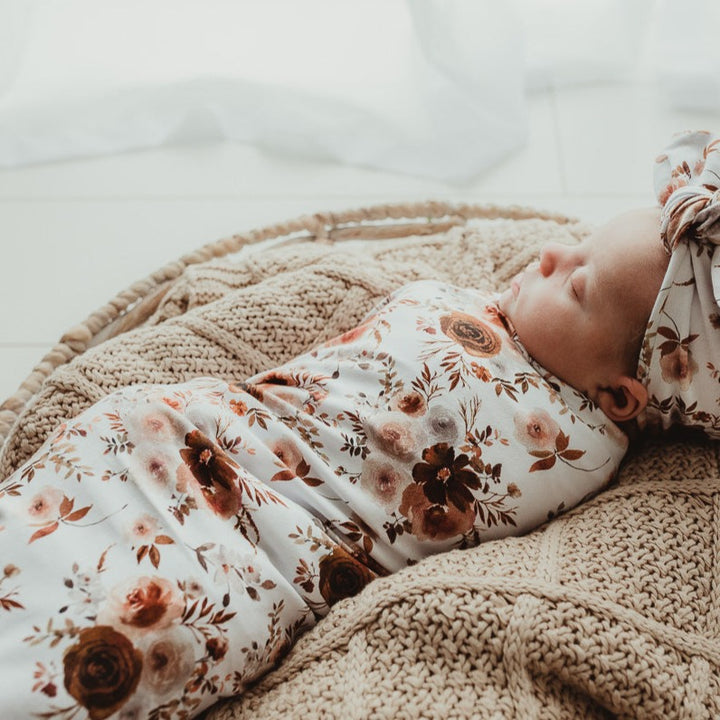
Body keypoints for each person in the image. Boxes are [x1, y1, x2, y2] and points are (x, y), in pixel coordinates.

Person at [5, 130, 717, 720]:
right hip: (199, 438)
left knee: (143, 627)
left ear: (620, 397)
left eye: (577, 283)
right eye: (575, 245)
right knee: (91, 476)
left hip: (265, 549)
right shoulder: (473, 304)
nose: (551, 255)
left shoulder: (578, 446)